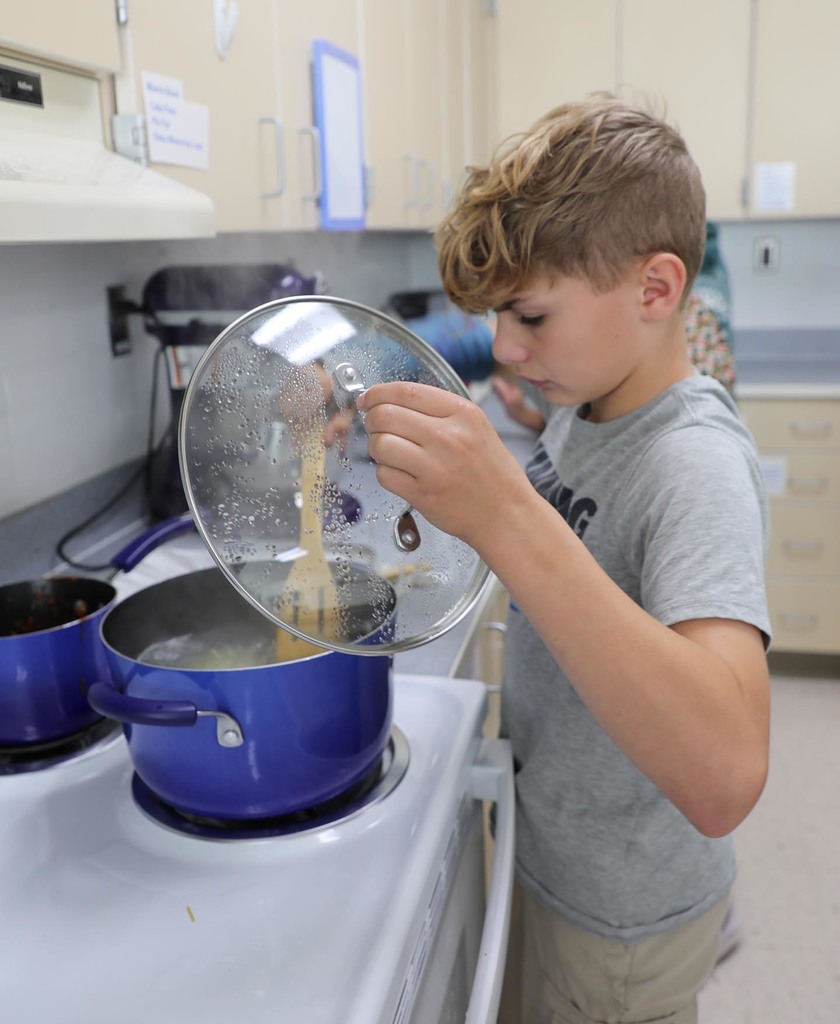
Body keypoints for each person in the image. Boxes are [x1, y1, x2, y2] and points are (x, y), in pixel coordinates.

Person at [357, 93, 771, 1024]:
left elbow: (726, 775)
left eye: (530, 317)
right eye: (501, 315)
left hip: (618, 926)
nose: (505, 347)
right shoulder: (590, 404)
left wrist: (506, 514)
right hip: (556, 857)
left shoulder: (693, 463)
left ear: (657, 290)